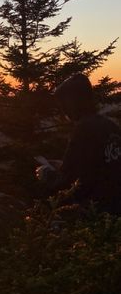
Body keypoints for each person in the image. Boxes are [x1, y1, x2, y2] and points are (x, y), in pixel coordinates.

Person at [38, 72, 121, 214]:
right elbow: (97, 165)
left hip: (97, 211)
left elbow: (70, 183)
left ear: (73, 102)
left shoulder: (84, 129)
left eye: (63, 103)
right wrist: (63, 165)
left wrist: (46, 173)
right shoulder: (110, 125)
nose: (63, 109)